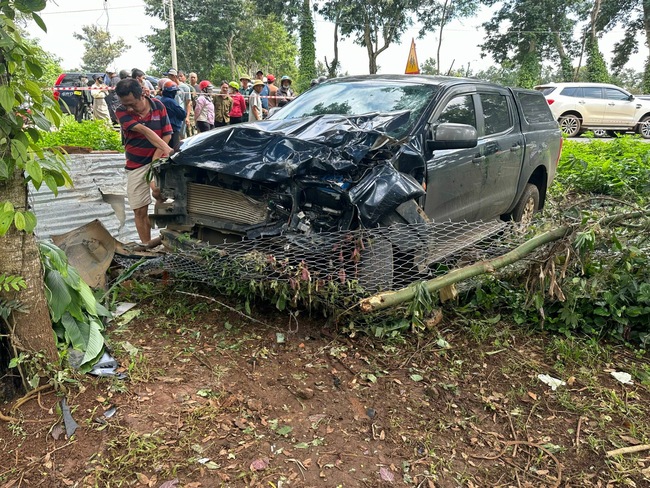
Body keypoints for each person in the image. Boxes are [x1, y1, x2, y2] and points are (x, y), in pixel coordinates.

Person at [115, 78, 173, 245]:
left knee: (159, 193)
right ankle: (148, 246)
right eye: (125, 104)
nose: (129, 108)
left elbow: (167, 134)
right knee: (139, 209)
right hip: (136, 164)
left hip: (159, 160)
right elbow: (144, 130)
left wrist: (158, 156)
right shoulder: (121, 111)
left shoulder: (158, 106)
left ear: (141, 95)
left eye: (132, 103)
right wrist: (168, 150)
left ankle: (168, 237)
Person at [157, 81, 187, 150]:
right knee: (173, 150)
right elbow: (182, 113)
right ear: (172, 92)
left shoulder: (162, 99)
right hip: (173, 128)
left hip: (166, 127)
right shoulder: (170, 101)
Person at [164, 68, 192, 138]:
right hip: (172, 116)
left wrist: (187, 117)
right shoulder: (167, 86)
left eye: (169, 76)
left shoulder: (185, 88)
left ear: (173, 76)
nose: (168, 78)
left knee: (182, 136)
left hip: (181, 115)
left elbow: (188, 103)